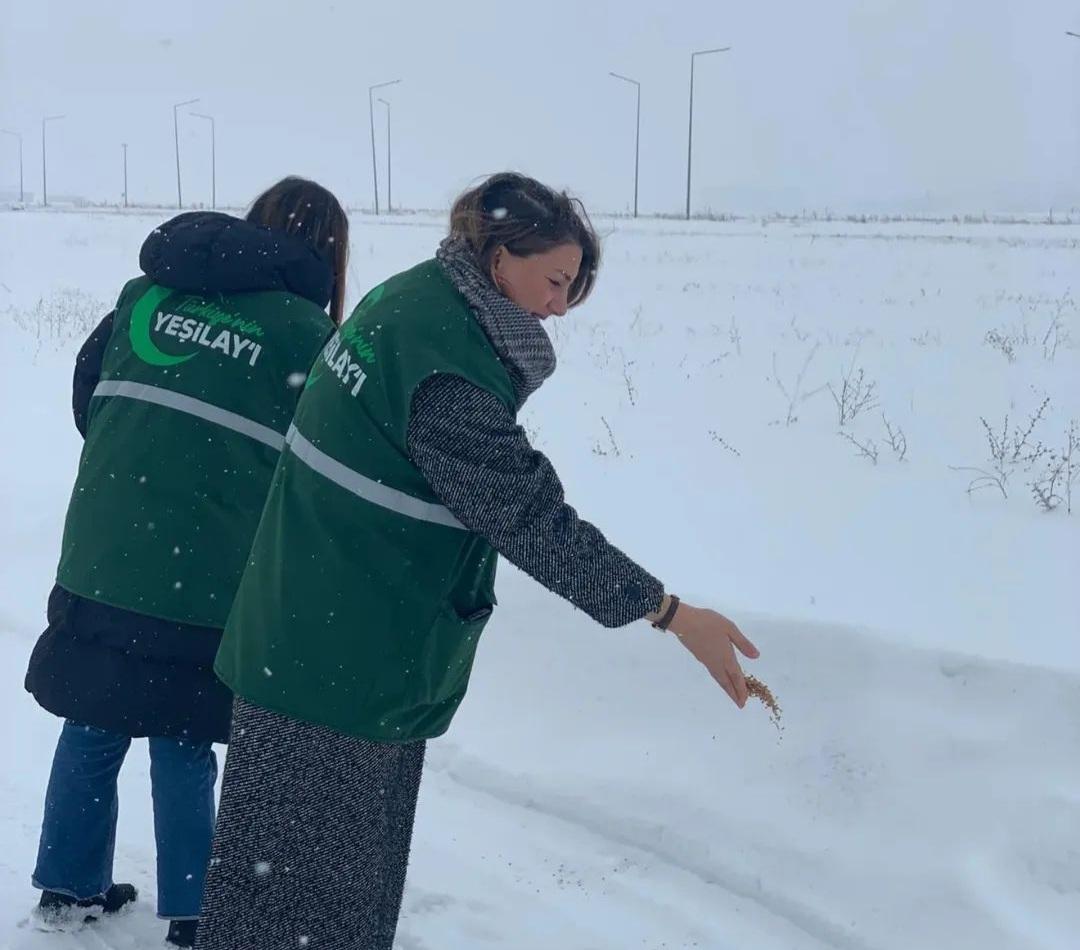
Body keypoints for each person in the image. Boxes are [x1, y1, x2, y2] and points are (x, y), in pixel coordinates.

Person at [195, 171, 759, 950]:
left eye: (574, 288)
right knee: (311, 907)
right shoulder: (448, 370)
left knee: (287, 890)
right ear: (501, 258)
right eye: (556, 281)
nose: (560, 307)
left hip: (308, 630)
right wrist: (667, 612)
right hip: (341, 659)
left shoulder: (413, 298)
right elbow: (528, 518)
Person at [24, 177, 349, 948]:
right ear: (328, 255)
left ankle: (67, 890)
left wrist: (142, 472)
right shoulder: (305, 333)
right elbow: (324, 460)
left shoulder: (145, 296)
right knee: (181, 729)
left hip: (104, 547)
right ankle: (194, 913)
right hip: (207, 567)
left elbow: (87, 393)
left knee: (93, 713)